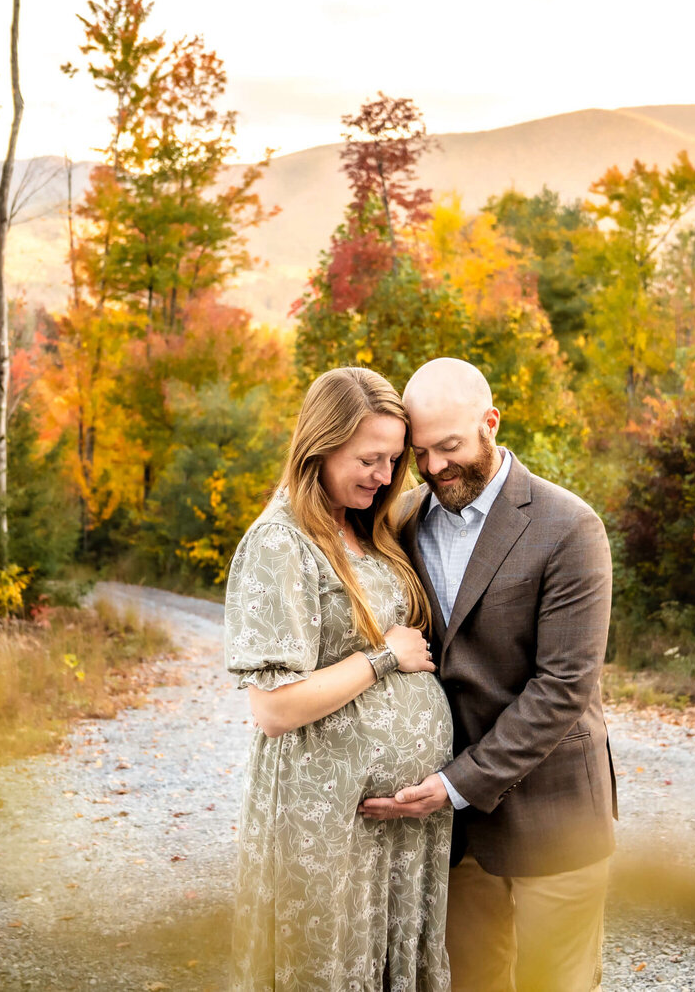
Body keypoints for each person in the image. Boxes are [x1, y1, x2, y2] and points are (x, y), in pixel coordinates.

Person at [361, 357, 618, 992]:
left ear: (490, 424)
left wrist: (455, 783)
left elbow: (562, 688)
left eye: (449, 447)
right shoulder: (400, 524)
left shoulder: (570, 528)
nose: (436, 467)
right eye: (420, 453)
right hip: (452, 830)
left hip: (552, 809)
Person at [224, 367, 452, 991]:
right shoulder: (280, 541)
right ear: (321, 446)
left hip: (396, 827)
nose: (384, 477)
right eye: (368, 459)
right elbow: (273, 709)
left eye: (392, 460)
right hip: (325, 818)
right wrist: (384, 658)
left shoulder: (365, 528)